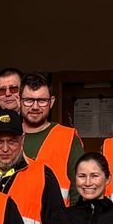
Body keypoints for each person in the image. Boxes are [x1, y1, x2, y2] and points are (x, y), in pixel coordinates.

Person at [20, 73, 84, 203]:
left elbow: (79, 190)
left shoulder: (67, 138)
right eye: (29, 100)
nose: (35, 107)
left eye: (42, 100)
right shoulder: (7, 137)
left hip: (57, 221)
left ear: (52, 102)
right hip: (16, 221)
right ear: (18, 100)